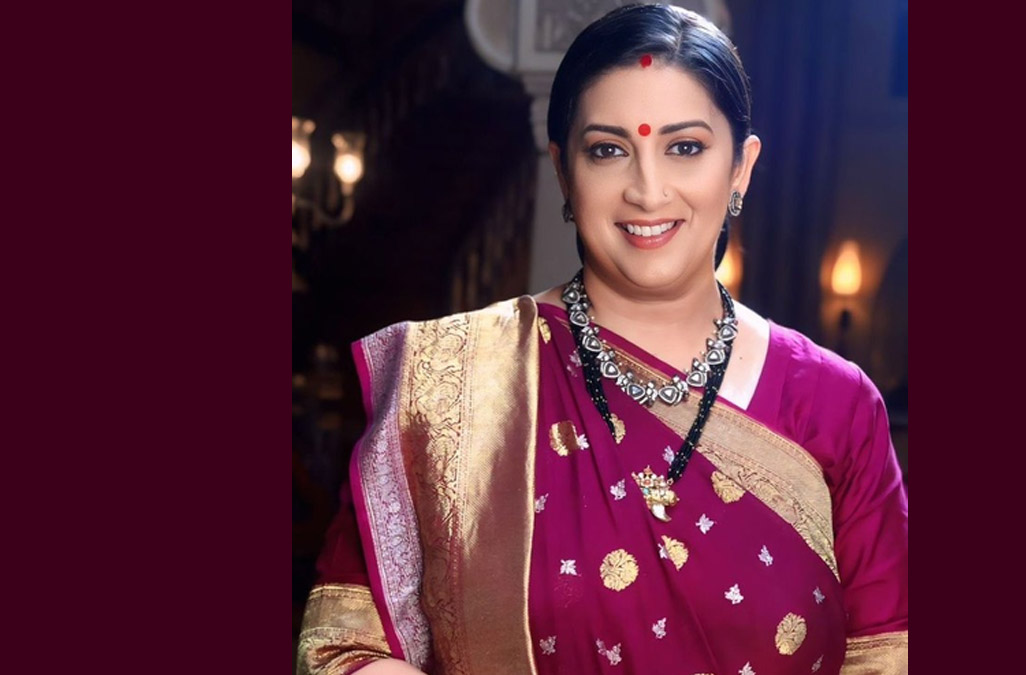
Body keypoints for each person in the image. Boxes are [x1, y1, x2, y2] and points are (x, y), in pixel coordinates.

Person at [296, 4, 908, 674]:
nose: (648, 190)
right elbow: (340, 651)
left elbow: (891, 654)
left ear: (741, 167)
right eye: (608, 150)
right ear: (564, 171)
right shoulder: (446, 385)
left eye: (685, 147)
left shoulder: (834, 404)